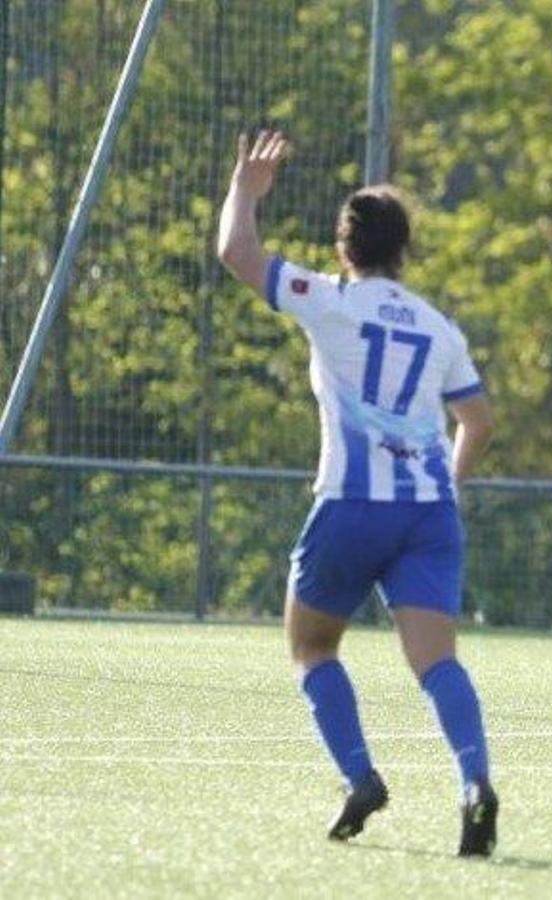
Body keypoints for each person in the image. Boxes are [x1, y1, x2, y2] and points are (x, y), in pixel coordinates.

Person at [216, 130, 499, 856]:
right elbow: (479, 420)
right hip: (427, 512)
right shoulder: (439, 328)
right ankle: (474, 784)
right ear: (404, 252)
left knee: (312, 646)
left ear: (346, 249)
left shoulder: (328, 299)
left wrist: (247, 192)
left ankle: (360, 778)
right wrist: (447, 486)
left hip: (351, 503)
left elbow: (238, 257)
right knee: (437, 661)